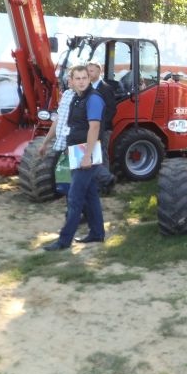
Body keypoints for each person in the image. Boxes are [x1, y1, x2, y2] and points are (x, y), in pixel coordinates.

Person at [42, 65, 106, 251]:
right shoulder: (77, 98)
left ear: (89, 79)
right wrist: (47, 142)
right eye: (77, 78)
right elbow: (66, 124)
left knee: (75, 197)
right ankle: (97, 233)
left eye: (84, 77)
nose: (81, 81)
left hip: (86, 151)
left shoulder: (93, 98)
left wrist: (87, 156)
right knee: (90, 194)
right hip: (76, 149)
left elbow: (94, 127)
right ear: (71, 80)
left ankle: (64, 241)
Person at [86, 61, 117, 193]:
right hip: (91, 128)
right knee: (93, 154)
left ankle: (105, 184)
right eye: (87, 71)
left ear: (99, 72)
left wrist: (101, 126)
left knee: (101, 154)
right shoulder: (88, 87)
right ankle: (95, 183)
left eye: (91, 71)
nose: (89, 73)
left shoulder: (106, 88)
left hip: (103, 128)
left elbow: (111, 109)